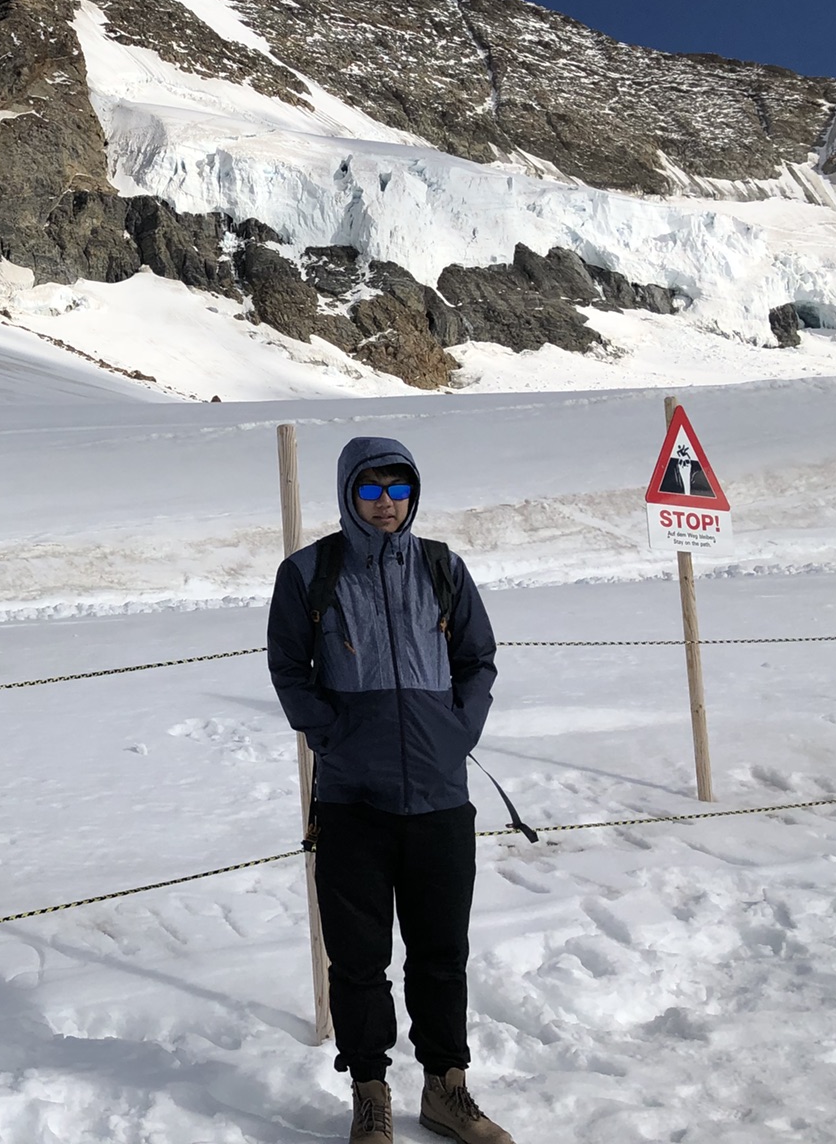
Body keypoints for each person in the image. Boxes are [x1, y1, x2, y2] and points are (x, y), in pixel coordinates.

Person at [266, 436, 515, 1144]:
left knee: (441, 954)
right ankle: (370, 1093)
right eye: (371, 489)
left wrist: (456, 731)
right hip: (353, 800)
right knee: (359, 960)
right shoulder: (310, 572)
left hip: (440, 797)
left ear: (413, 493)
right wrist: (330, 733)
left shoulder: (440, 566)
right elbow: (289, 668)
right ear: (348, 492)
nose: (385, 503)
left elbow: (477, 658)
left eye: (397, 489)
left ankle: (447, 1089)